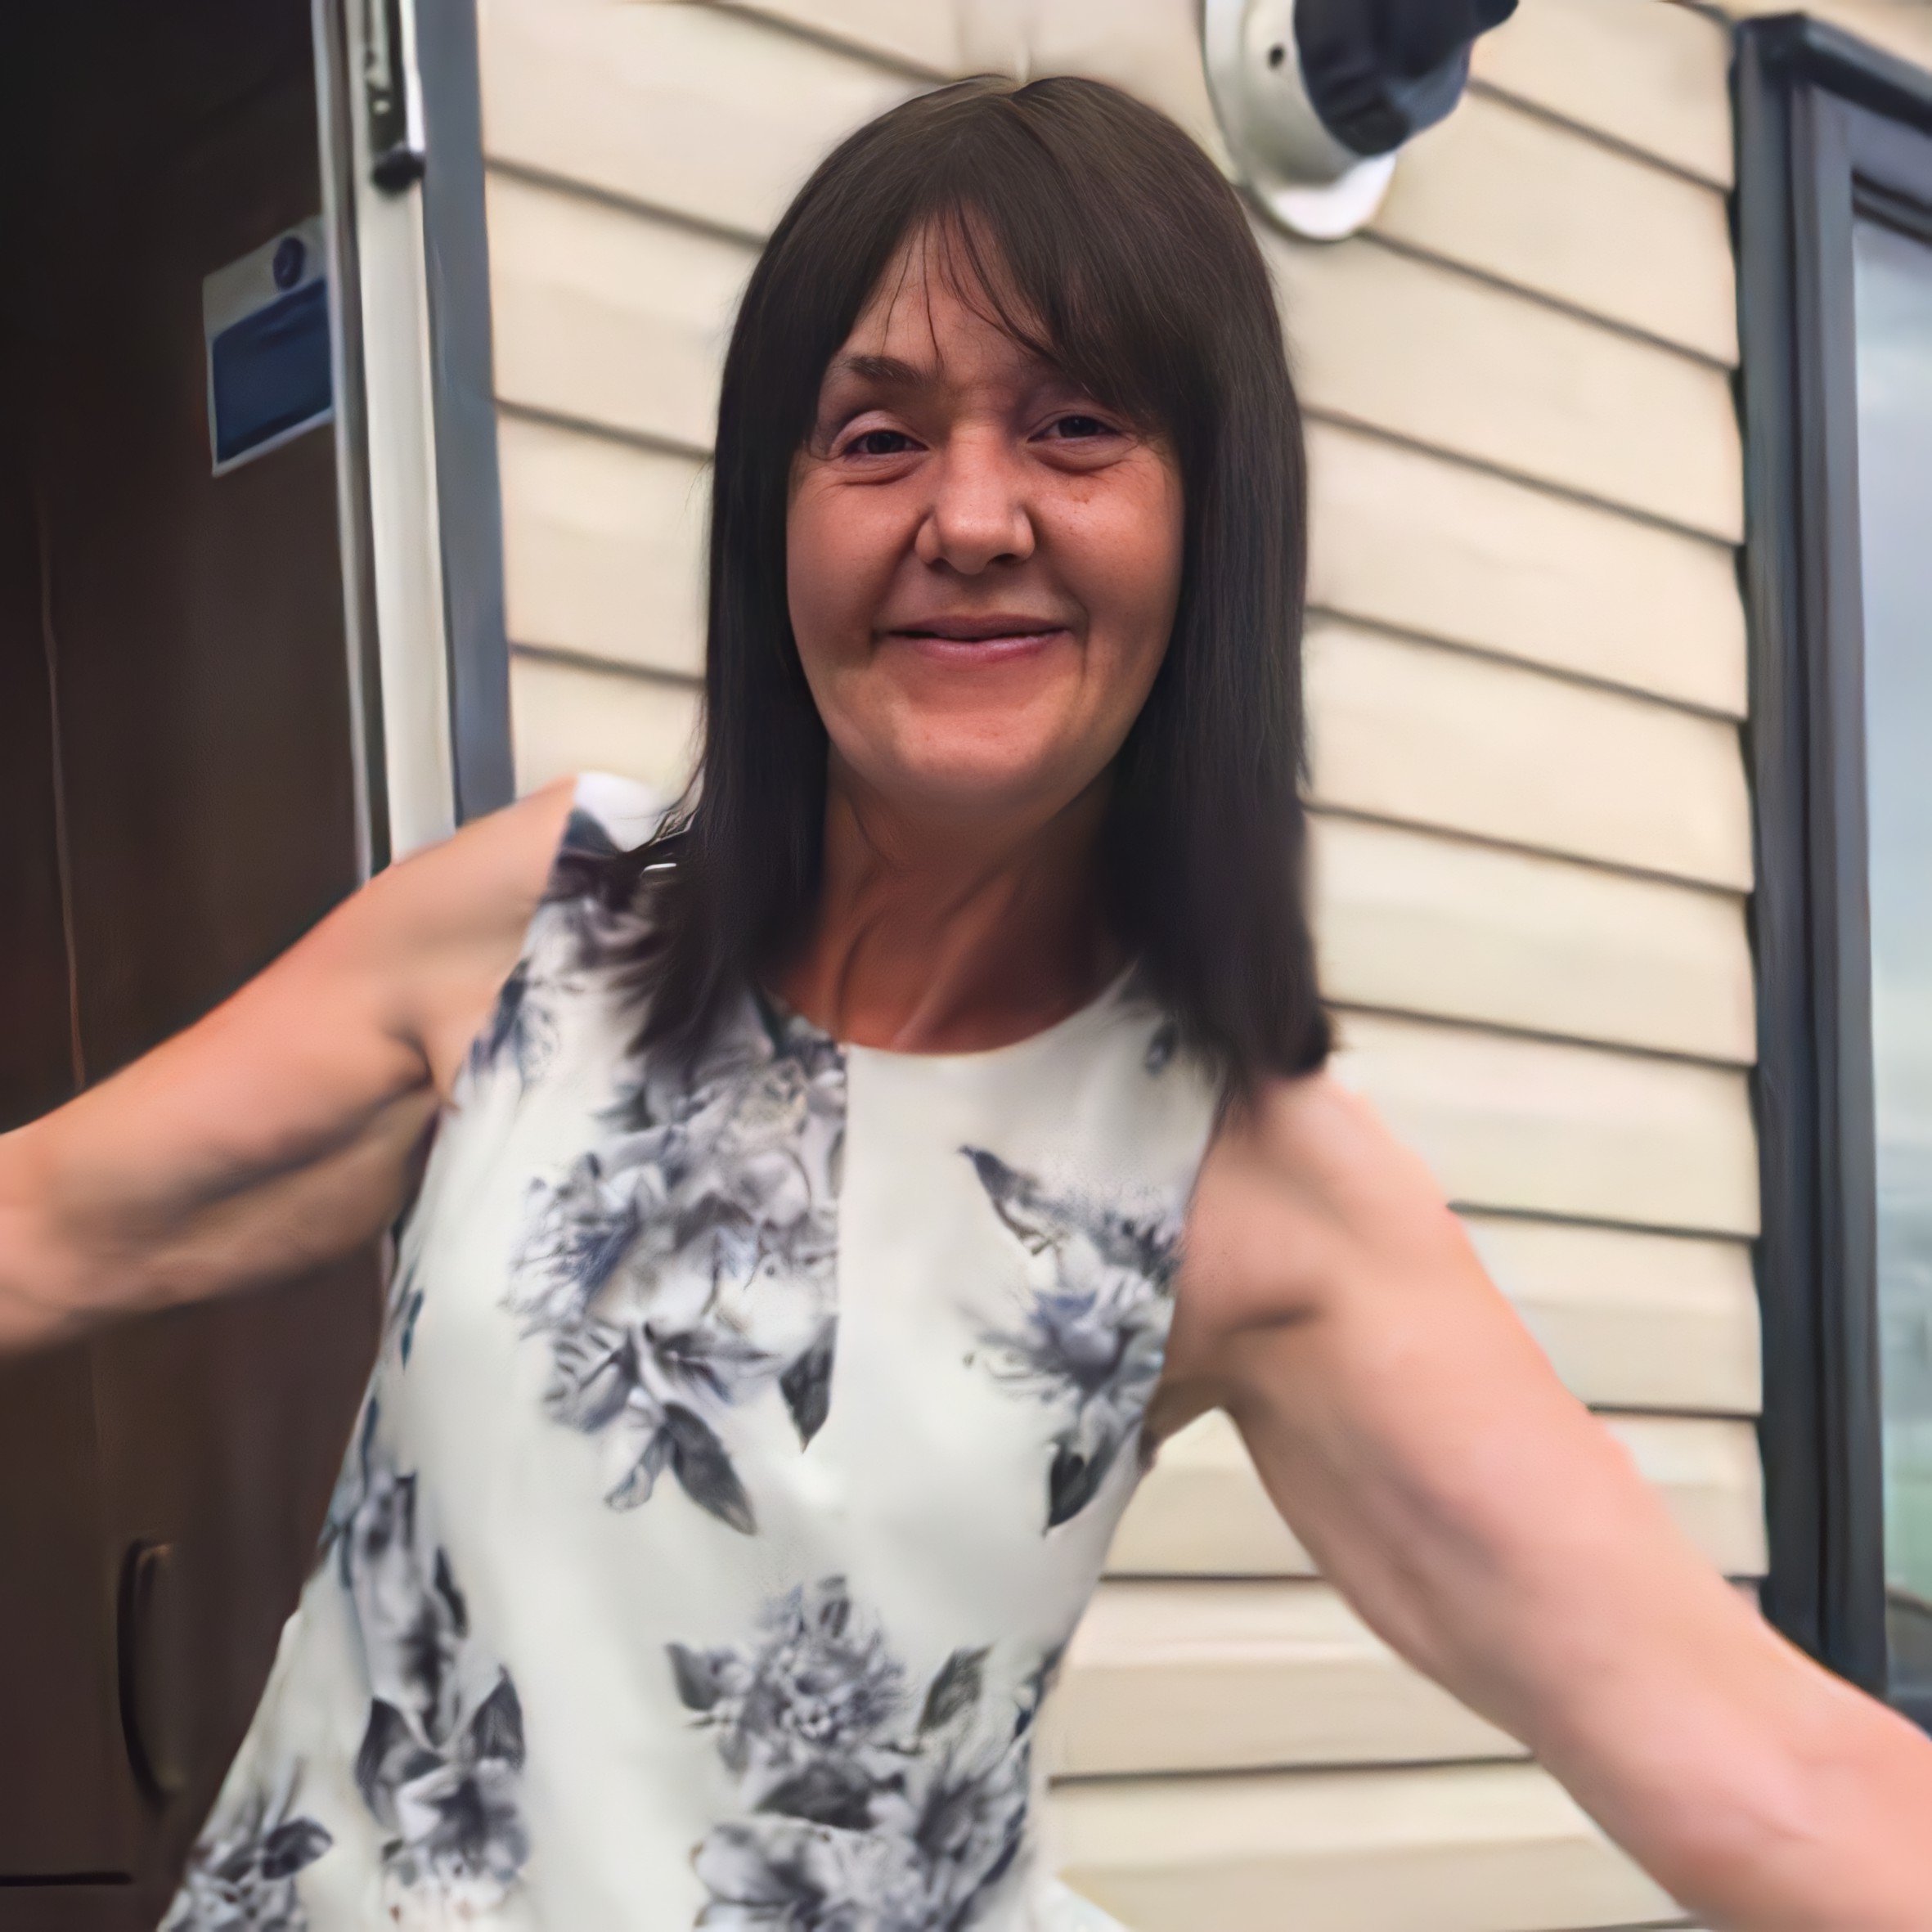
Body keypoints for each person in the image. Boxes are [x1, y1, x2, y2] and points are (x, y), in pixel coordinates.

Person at [2, 74, 1929, 1932]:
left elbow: (1771, 1774)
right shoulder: (542, 925)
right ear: (771, 523)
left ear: (1211, 522)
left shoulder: (1239, 1176)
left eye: (1076, 427)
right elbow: (45, 1224)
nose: (974, 512)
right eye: (875, 436)